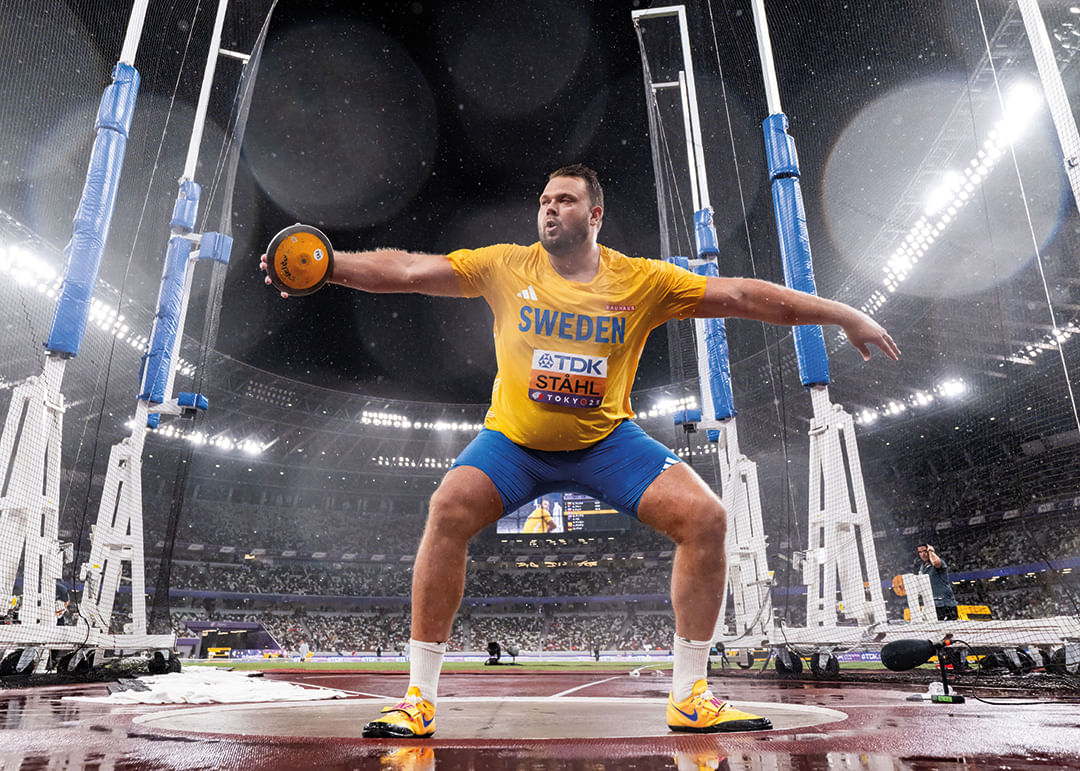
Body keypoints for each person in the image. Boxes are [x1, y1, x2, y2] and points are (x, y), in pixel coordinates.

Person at [261, 164, 900, 738]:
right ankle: (417, 700)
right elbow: (408, 271)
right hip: (515, 443)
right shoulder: (505, 266)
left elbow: (739, 296)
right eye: (543, 200)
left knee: (706, 517)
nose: (548, 209)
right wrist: (330, 265)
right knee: (448, 507)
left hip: (605, 443)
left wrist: (841, 313)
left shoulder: (643, 280)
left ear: (594, 215)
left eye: (563, 200)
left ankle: (690, 697)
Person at [915, 543, 958, 621]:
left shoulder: (938, 562)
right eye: (920, 552)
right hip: (932, 605)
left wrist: (931, 551)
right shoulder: (922, 567)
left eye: (925, 551)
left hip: (945, 603)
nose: (923, 554)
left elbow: (935, 563)